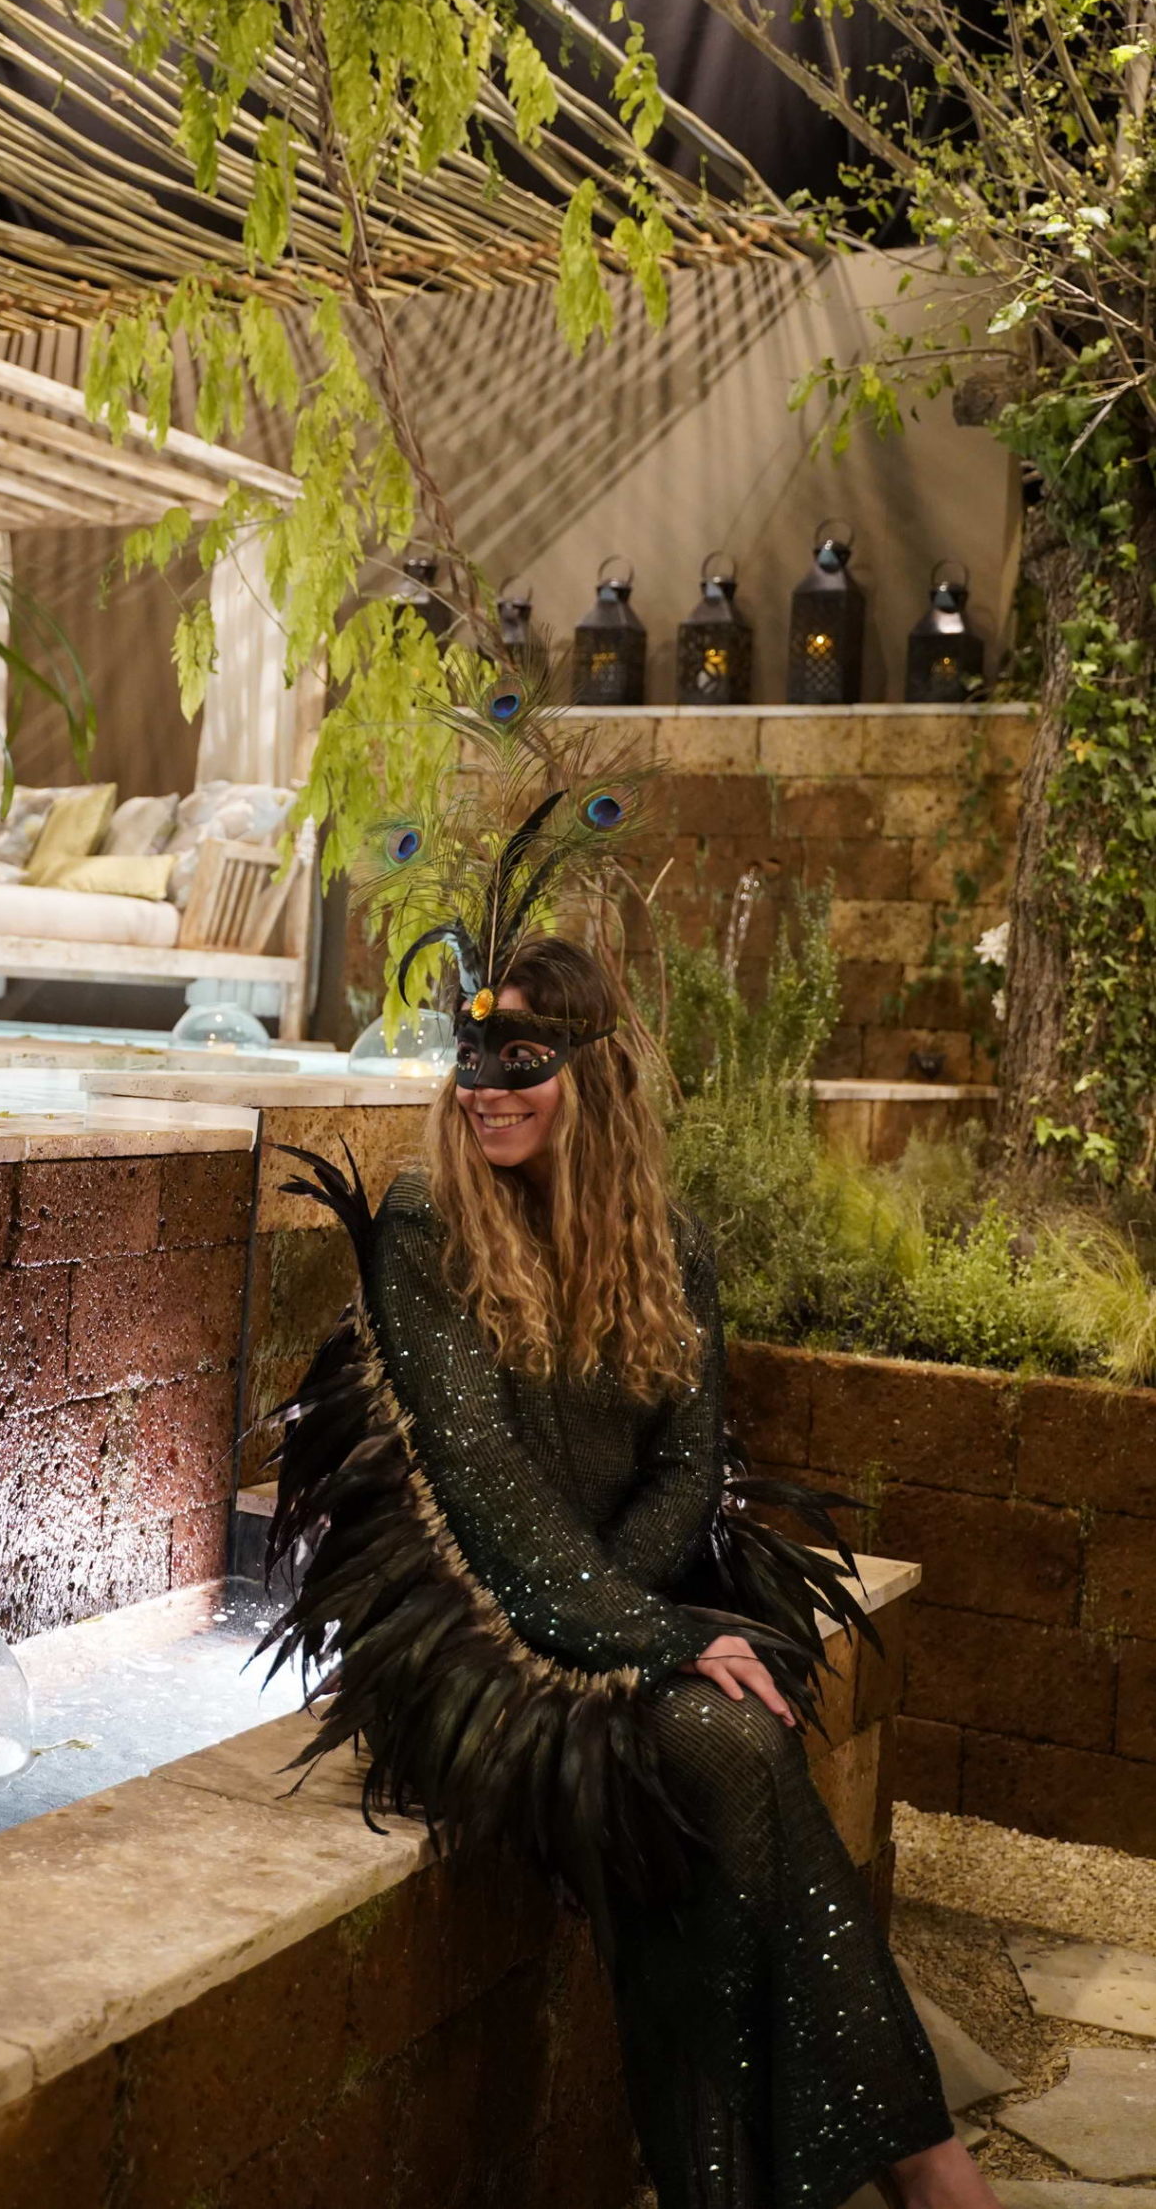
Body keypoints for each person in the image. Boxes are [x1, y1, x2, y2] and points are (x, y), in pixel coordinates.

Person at [266, 929, 997, 2209]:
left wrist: (619, 1619)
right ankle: (930, 2172)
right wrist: (654, 1637)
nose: (486, 1086)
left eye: (522, 1057)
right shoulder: (430, 1226)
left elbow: (687, 1470)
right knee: (732, 1747)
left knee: (714, 1780)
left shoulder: (672, 1244)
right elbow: (485, 1499)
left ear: (593, 1070)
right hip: (477, 1646)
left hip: (606, 1613)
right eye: (471, 1054)